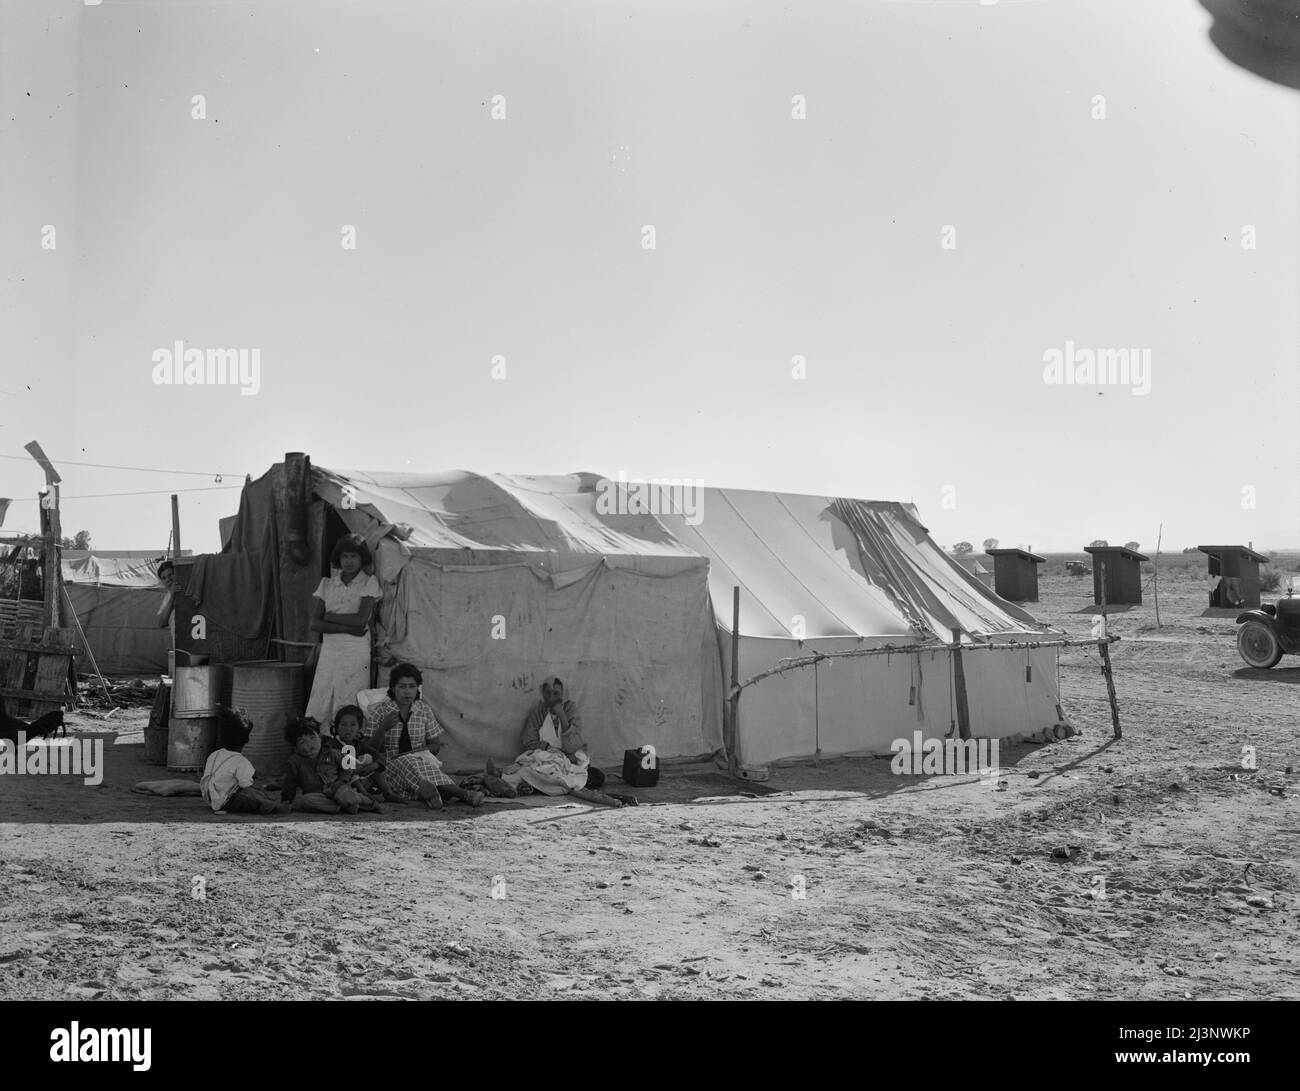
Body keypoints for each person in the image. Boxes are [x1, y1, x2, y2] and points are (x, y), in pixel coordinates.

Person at [365, 663, 483, 810]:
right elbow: (367, 750)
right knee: (409, 762)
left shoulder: (424, 710)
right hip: (388, 769)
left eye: (412, 686)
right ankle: (463, 794)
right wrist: (383, 728)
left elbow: (435, 746)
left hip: (421, 763)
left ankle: (430, 794)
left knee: (416, 763)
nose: (407, 691)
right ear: (393, 688)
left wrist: (418, 752)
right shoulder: (381, 712)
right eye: (402, 686)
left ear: (417, 688)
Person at [305, 534, 381, 726]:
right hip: (331, 648)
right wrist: (345, 627)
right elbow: (315, 623)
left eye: (354, 557)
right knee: (324, 692)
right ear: (339, 558)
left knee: (350, 692)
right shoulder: (328, 584)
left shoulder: (369, 583)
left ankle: (349, 743)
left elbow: (360, 619)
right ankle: (320, 741)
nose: (349, 561)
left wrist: (329, 618)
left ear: (361, 558)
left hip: (355, 648)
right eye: (345, 556)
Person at [494, 677, 606, 796]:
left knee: (584, 776)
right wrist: (547, 747)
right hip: (544, 756)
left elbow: (574, 746)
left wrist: (562, 716)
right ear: (543, 694)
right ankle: (512, 780)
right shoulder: (538, 713)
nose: (552, 697)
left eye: (556, 693)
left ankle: (514, 781)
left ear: (563, 695)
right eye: (548, 693)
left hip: (567, 759)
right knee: (535, 766)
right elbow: (528, 742)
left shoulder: (570, 710)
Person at [200, 706, 291, 814]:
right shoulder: (241, 762)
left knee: (252, 793)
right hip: (228, 802)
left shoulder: (214, 755)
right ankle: (274, 807)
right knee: (252, 794)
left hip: (209, 799)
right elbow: (246, 785)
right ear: (246, 740)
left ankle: (269, 803)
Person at [319, 705, 386, 813]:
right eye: (343, 725)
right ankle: (365, 798)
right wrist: (355, 771)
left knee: (370, 759)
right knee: (345, 793)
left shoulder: (358, 744)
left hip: (358, 781)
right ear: (336, 727)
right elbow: (335, 771)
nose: (348, 729)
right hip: (339, 783)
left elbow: (379, 756)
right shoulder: (331, 746)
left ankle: (386, 793)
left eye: (353, 724)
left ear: (359, 728)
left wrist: (374, 765)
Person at [281, 717, 342, 813]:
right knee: (305, 800)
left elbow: (348, 768)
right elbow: (289, 783)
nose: (309, 744)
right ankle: (341, 807)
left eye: (312, 738)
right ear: (296, 748)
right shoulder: (294, 761)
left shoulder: (332, 753)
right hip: (316, 796)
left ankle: (369, 803)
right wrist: (286, 801)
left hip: (337, 790)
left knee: (346, 794)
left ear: (320, 737)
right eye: (302, 742)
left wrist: (342, 782)